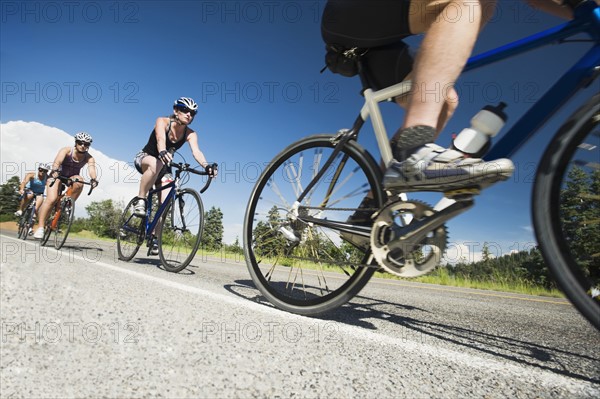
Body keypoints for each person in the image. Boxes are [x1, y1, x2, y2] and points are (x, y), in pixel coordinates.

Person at [321, 0, 576, 192]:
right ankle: (413, 150)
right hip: (348, 13)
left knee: (444, 100)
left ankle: (371, 207)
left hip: (381, 45)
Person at [132, 97, 216, 254]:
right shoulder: (163, 121)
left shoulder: (190, 133)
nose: (188, 114)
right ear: (176, 110)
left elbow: (196, 152)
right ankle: (141, 199)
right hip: (145, 158)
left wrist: (207, 166)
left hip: (164, 165)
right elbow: (160, 138)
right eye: (185, 110)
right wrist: (162, 151)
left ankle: (154, 238)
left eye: (192, 113)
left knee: (165, 204)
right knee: (155, 163)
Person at [33, 132, 99, 239]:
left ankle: (67, 203)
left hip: (70, 178)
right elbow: (57, 162)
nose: (83, 146)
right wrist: (54, 170)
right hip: (57, 175)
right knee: (51, 199)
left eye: (86, 144)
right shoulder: (66, 151)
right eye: (80, 143)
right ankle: (40, 227)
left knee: (79, 181)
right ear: (75, 143)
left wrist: (94, 179)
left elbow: (92, 169)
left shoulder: (89, 157)